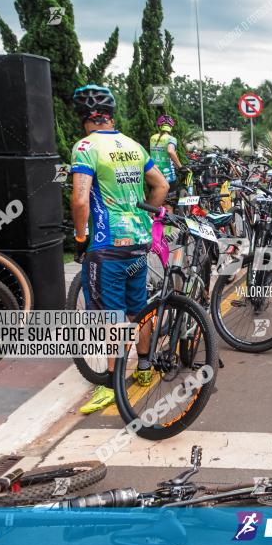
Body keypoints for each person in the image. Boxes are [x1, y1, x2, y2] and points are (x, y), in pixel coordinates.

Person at [69, 85, 169, 414]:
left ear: (85, 118)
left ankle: (113, 383)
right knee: (137, 307)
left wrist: (80, 237)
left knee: (111, 316)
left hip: (106, 243)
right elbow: (162, 185)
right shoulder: (134, 146)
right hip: (138, 240)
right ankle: (143, 368)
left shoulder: (85, 147)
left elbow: (81, 198)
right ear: (111, 115)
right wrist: (145, 213)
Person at [149, 115, 184, 209]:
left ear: (159, 126)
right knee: (168, 206)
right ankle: (168, 224)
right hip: (168, 177)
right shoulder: (171, 139)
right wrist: (180, 166)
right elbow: (170, 151)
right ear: (171, 127)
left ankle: (153, 223)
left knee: (154, 205)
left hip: (153, 175)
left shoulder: (152, 138)